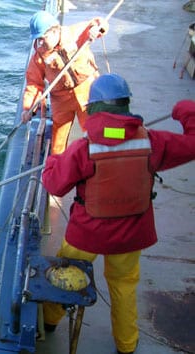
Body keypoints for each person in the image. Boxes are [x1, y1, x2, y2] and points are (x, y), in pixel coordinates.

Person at [40, 73, 195, 354]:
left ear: (94, 108)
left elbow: (53, 184)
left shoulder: (83, 149)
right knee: (124, 287)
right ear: (126, 105)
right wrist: (186, 111)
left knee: (66, 276)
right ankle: (126, 345)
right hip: (131, 236)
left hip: (86, 235)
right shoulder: (153, 142)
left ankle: (50, 323)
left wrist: (53, 161)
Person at [21, 10, 109, 155]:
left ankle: (107, 152)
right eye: (38, 39)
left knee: (97, 131)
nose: (40, 42)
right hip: (61, 100)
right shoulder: (38, 58)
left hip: (86, 92)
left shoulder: (73, 33)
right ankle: (56, 170)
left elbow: (99, 23)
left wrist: (97, 28)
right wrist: (27, 109)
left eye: (44, 37)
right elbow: (33, 84)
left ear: (55, 30)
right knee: (57, 143)